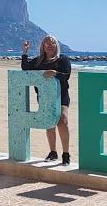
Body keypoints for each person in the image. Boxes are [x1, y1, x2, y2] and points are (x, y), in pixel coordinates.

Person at [21, 35, 72, 165]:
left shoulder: (63, 60)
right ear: (43, 46)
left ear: (56, 46)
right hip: (44, 96)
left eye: (52, 43)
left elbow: (67, 76)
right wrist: (25, 53)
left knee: (63, 121)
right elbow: (25, 68)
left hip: (61, 95)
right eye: (46, 43)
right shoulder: (38, 61)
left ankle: (66, 154)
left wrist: (55, 73)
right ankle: (53, 152)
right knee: (50, 123)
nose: (49, 45)